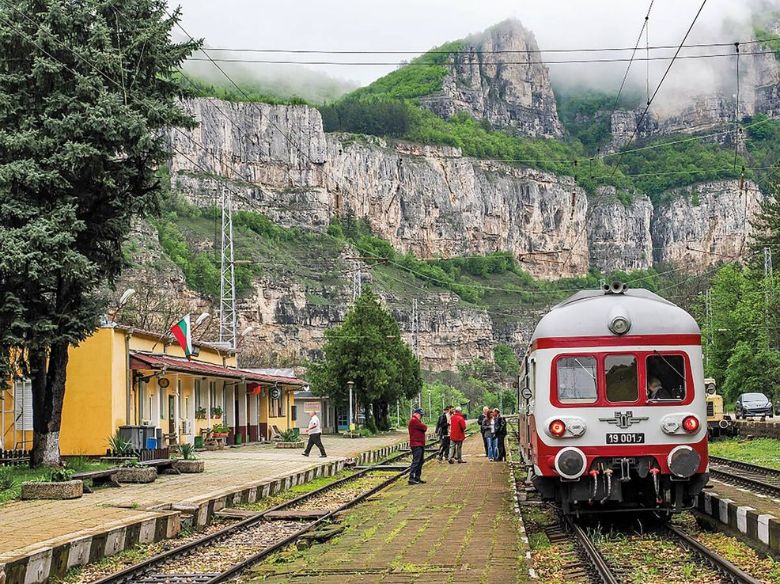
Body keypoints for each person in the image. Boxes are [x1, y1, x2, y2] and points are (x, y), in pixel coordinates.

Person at [408, 407, 428, 485]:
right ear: (416, 414)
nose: (421, 417)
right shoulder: (414, 421)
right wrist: (423, 425)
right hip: (416, 444)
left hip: (419, 443)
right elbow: (424, 427)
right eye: (420, 415)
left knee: (420, 461)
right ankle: (412, 477)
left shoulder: (416, 421)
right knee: (416, 461)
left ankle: (417, 477)